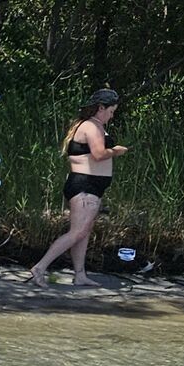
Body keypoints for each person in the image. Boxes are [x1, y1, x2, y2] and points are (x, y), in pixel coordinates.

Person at [28, 89, 126, 287]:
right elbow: (98, 154)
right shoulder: (91, 126)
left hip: (92, 186)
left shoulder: (94, 125)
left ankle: (80, 274)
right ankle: (40, 267)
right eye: (111, 111)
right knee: (77, 231)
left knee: (84, 231)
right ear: (101, 108)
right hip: (84, 186)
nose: (112, 115)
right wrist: (116, 151)